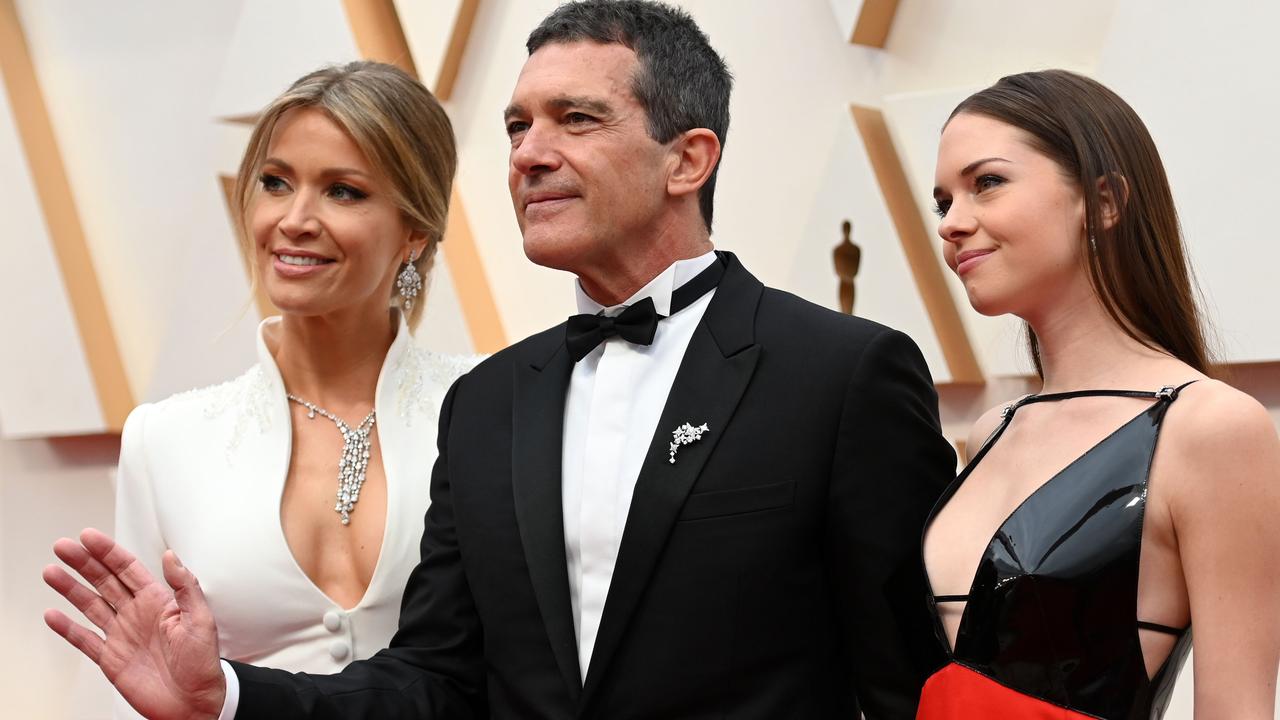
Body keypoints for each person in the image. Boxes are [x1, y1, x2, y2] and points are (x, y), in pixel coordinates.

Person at [45, 2, 955, 718]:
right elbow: (436, 681)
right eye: (517, 126)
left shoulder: (843, 374)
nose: (529, 153)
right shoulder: (487, 405)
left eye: (576, 119)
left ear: (689, 160)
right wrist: (230, 697)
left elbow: (913, 688)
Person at [98, 61, 477, 717]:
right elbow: (149, 683)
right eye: (275, 183)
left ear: (415, 231)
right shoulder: (163, 441)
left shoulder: (491, 405)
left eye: (344, 191)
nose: (295, 219)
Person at [920, 69, 1280, 719]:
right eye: (943, 202)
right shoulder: (991, 430)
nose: (952, 223)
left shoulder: (1211, 429)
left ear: (1105, 199)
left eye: (987, 183)